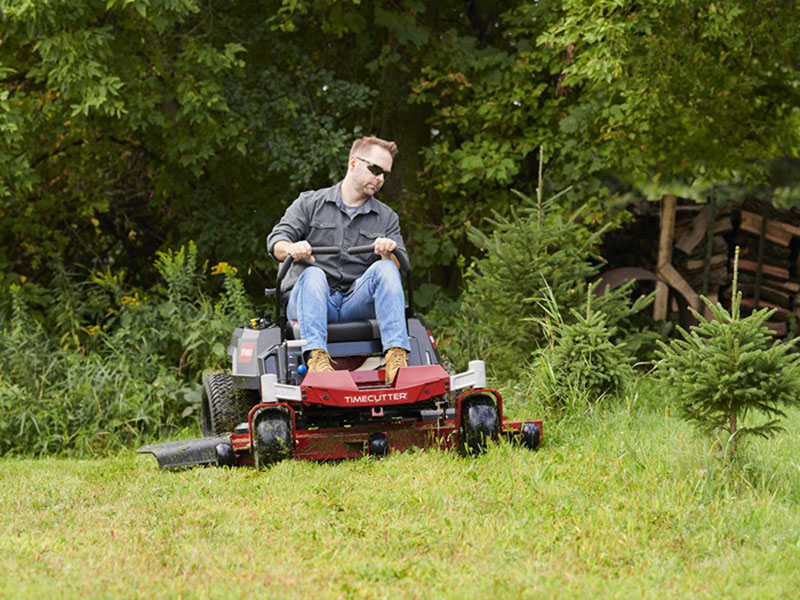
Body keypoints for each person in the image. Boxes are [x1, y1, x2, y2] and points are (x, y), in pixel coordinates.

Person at [267, 136, 411, 384]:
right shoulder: (309, 203)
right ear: (354, 162)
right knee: (314, 273)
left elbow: (401, 267)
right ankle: (317, 360)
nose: (380, 179)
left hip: (355, 302)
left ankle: (396, 359)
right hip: (311, 299)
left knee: (387, 267)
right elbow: (276, 242)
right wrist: (292, 248)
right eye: (375, 169)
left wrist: (388, 254)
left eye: (384, 174)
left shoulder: (387, 217)